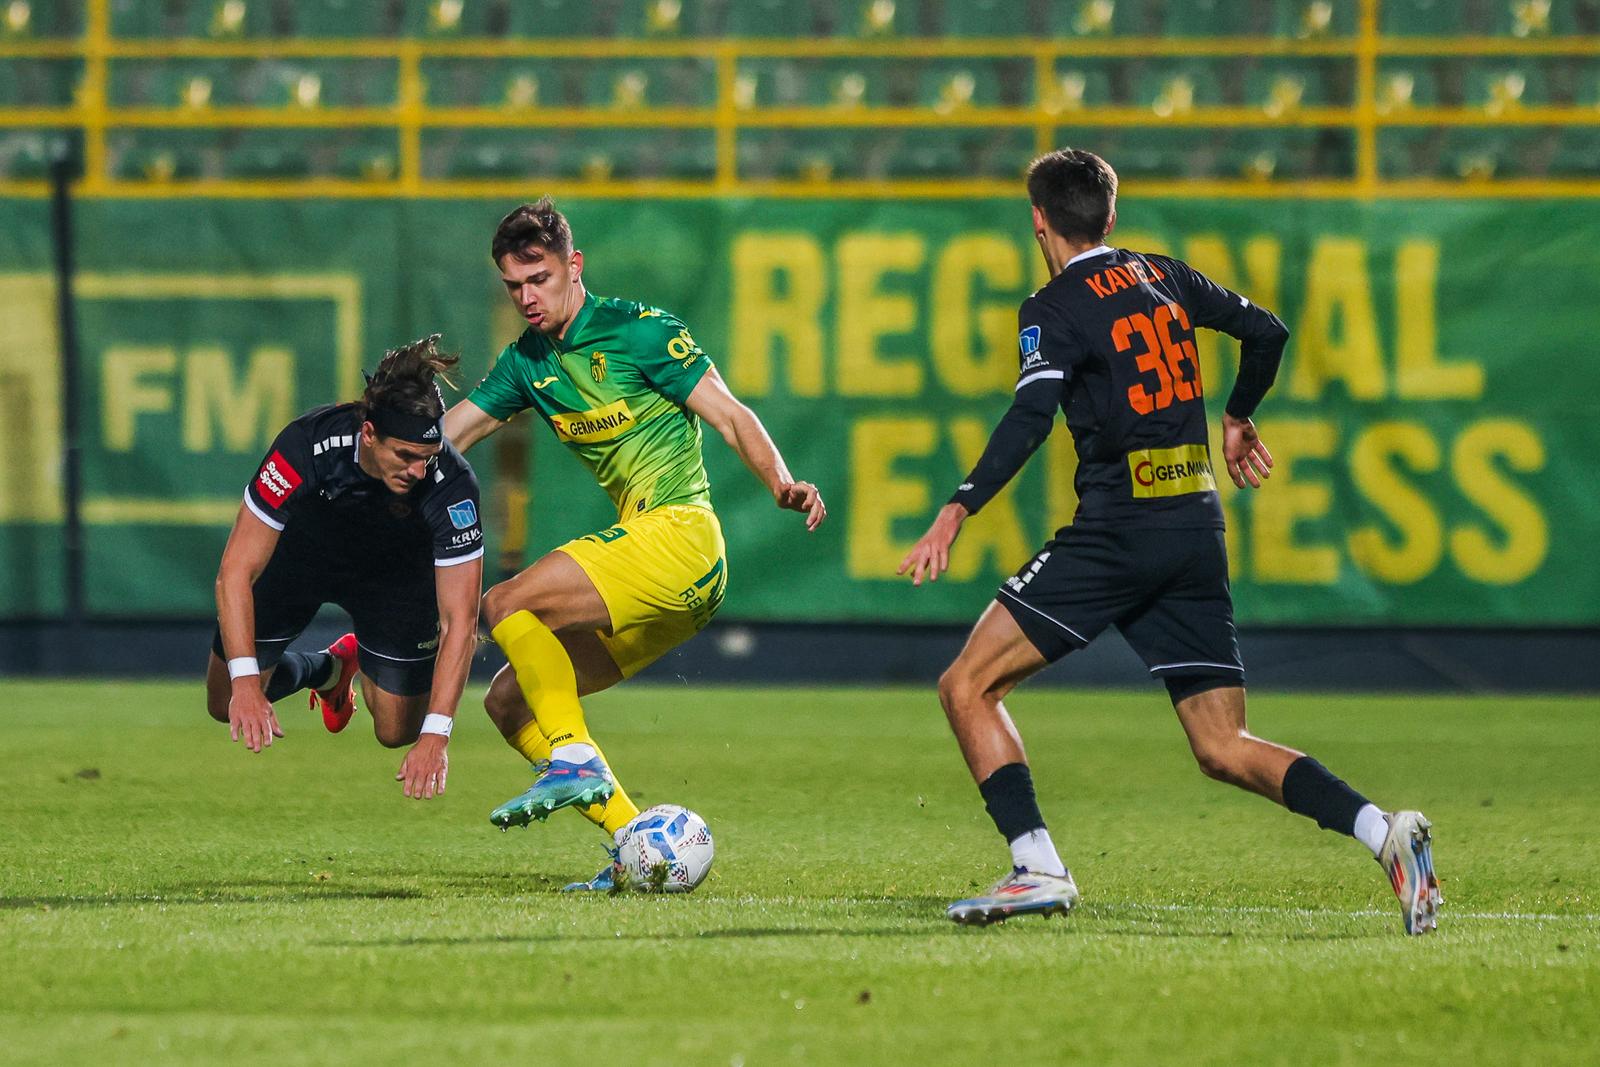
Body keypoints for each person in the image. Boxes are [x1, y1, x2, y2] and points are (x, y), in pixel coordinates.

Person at [899, 149, 1440, 935]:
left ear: (1038, 219)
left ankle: (1037, 864)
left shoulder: (1052, 307)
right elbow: (1266, 330)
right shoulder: (1165, 275)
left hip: (1120, 529)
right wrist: (1238, 412)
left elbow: (1029, 416)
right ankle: (1384, 832)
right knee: (1223, 743)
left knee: (966, 686)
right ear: (1111, 216)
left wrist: (959, 505)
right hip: (1195, 525)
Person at [444, 198, 825, 889]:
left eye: (540, 278)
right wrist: (372, 459)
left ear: (574, 266)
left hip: (681, 536)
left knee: (503, 602)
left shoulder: (638, 331)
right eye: (514, 286)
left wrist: (781, 481)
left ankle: (575, 758)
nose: (528, 297)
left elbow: (731, 413)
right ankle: (632, 842)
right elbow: (448, 438)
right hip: (668, 582)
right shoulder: (526, 364)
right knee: (508, 702)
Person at [208, 335, 484, 801]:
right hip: (302, 560)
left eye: (428, 457)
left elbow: (461, 620)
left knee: (397, 730)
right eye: (405, 456)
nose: (419, 471)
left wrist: (437, 735)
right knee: (224, 702)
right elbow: (234, 572)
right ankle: (329, 670)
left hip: (394, 577)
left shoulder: (452, 485)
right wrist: (247, 684)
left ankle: (356, 664)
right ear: (369, 434)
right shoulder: (306, 445)